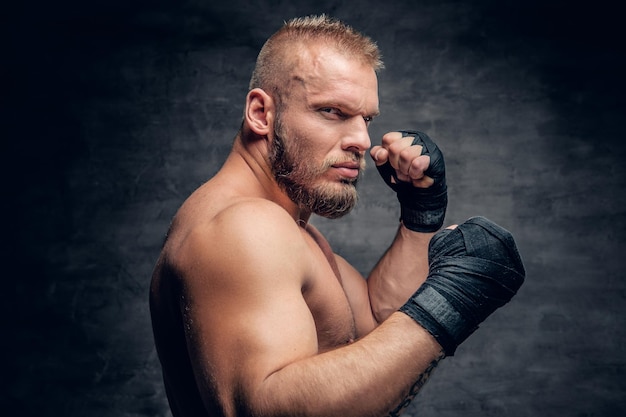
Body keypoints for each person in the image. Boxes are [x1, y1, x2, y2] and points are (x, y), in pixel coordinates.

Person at [149, 14, 525, 417]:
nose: (361, 140)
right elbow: (261, 408)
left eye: (366, 119)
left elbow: (372, 327)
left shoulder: (288, 228)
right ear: (261, 113)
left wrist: (420, 218)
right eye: (332, 111)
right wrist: (449, 303)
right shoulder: (243, 227)